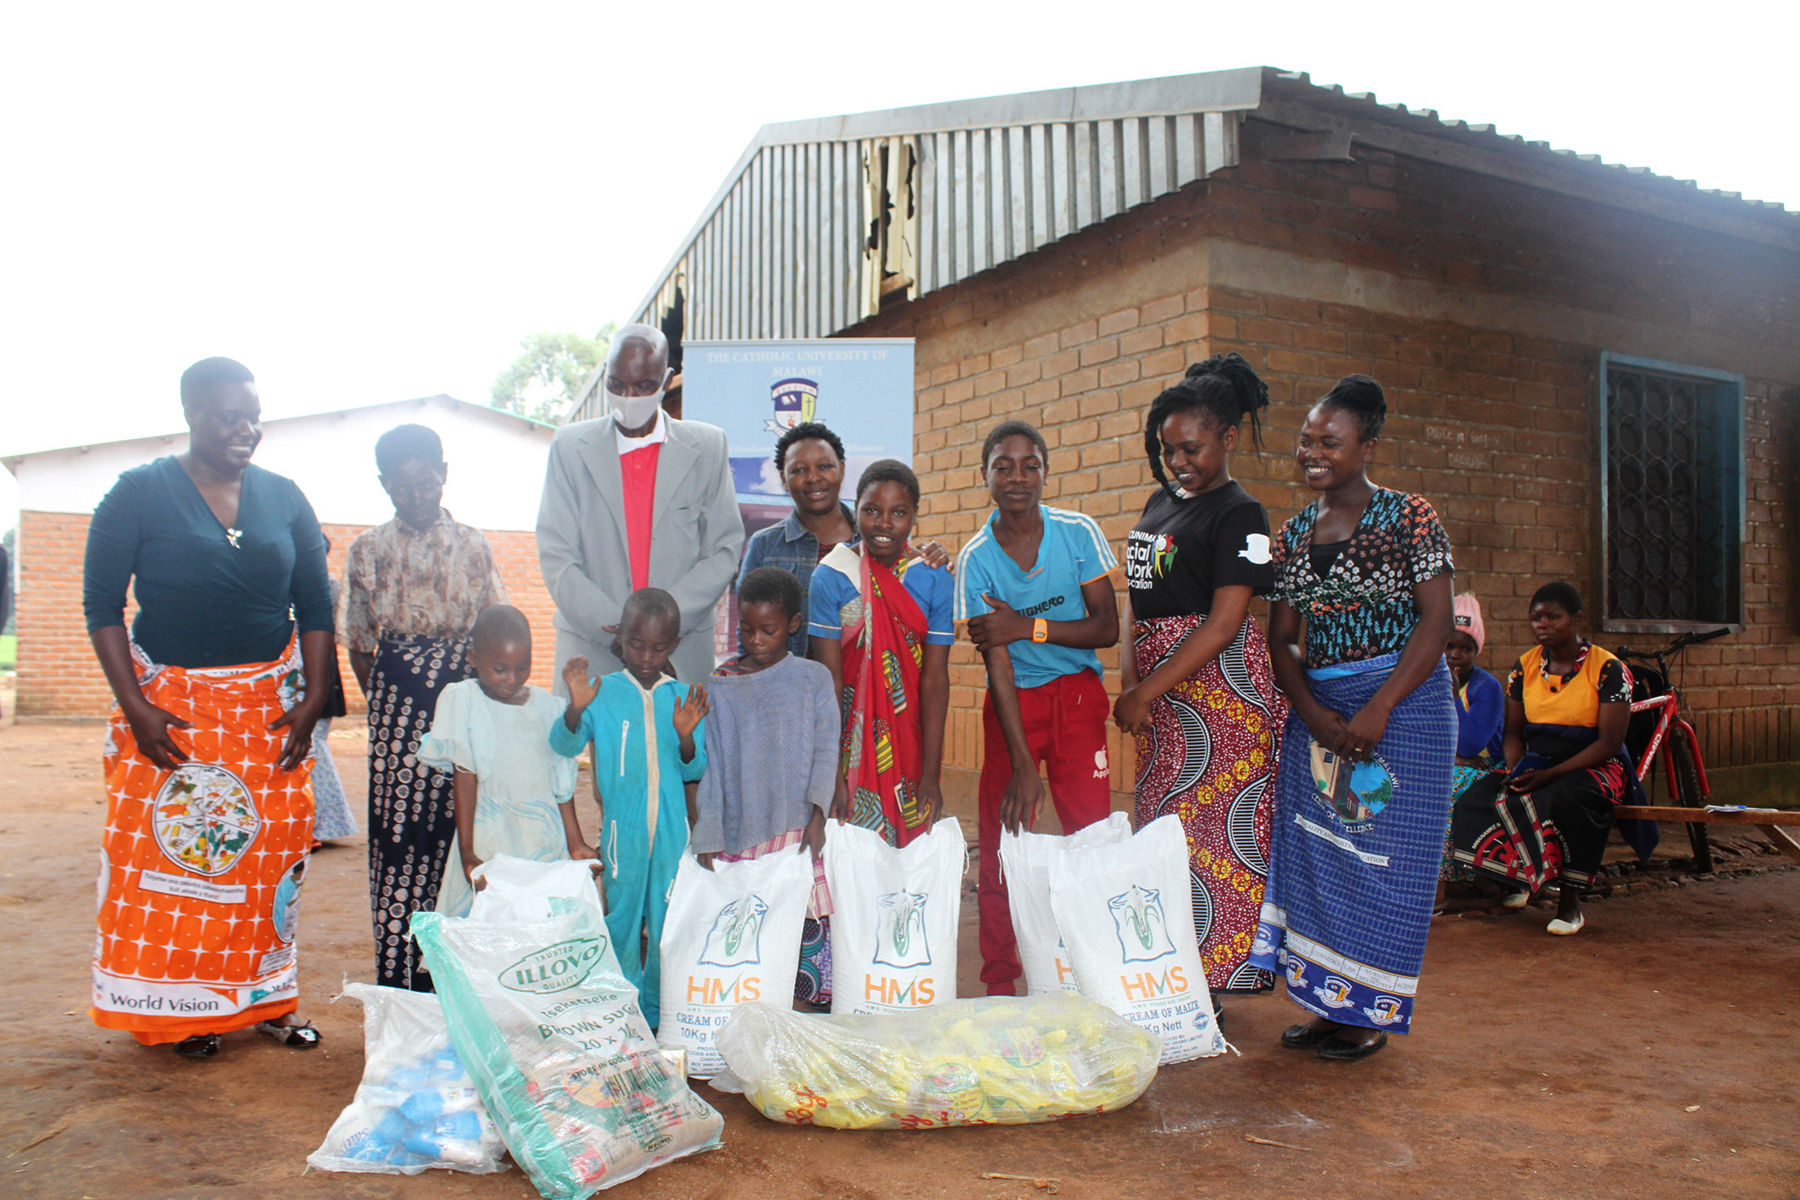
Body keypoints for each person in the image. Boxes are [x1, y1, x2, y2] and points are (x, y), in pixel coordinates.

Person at [83, 356, 334, 1058]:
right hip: (173, 712)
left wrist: (313, 696)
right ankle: (186, 1009)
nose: (245, 429)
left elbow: (315, 603)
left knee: (270, 857)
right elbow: (100, 606)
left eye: (253, 415)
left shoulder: (284, 496)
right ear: (192, 413)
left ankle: (268, 1001)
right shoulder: (137, 494)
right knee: (181, 859)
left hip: (267, 712)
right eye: (229, 416)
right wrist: (135, 706)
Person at [1248, 374, 1456, 1061]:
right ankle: (1328, 1004)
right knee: (1323, 854)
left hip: (1404, 711)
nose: (1312, 453)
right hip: (1322, 714)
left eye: (1329, 442)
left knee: (1383, 860)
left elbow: (1436, 621)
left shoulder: (1410, 517)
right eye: (1306, 440)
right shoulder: (1293, 533)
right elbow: (1281, 638)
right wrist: (1313, 712)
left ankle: (1371, 1011)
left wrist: (1379, 707)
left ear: (1367, 445)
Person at [1114, 356, 1288, 995]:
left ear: (1228, 439)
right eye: (1167, 449)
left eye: (1191, 448)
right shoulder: (1162, 501)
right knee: (1162, 833)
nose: (1179, 460)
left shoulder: (1245, 515)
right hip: (1161, 692)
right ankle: (1173, 973)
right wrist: (1131, 673)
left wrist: (1143, 690)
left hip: (1221, 695)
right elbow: (1136, 591)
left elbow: (1224, 624)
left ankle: (1213, 986)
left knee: (1214, 843)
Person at [955, 421, 1120, 996]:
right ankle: (1001, 982)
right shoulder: (975, 559)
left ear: (1047, 472)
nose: (1017, 477)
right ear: (985, 477)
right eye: (1003, 465)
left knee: (1089, 839)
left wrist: (1029, 625)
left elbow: (1106, 628)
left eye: (1030, 465)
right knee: (1002, 848)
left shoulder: (1078, 533)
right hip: (1011, 708)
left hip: (1076, 700)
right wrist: (1022, 764)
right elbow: (997, 662)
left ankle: (1101, 971)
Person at [340, 422, 507, 990]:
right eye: (401, 487)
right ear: (384, 483)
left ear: (444, 475)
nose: (414, 497)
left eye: (425, 483)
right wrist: (398, 700)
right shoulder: (366, 551)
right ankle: (401, 977)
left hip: (464, 701)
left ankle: (459, 978)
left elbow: (493, 628)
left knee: (464, 830)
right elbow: (362, 647)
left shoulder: (472, 545)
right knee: (399, 838)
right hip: (395, 714)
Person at [537, 324, 743, 686]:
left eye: (643, 386)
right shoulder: (569, 447)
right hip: (593, 645)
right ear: (605, 376)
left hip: (679, 646)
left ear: (666, 380)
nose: (628, 396)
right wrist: (624, 638)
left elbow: (724, 549)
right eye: (616, 385)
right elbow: (557, 555)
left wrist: (656, 633)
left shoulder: (708, 446)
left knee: (677, 743)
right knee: (590, 743)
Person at [551, 587, 708, 1028]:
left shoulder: (681, 697)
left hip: (673, 836)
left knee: (666, 925)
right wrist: (574, 710)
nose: (645, 656)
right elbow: (562, 744)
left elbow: (696, 766)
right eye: (636, 644)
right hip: (623, 834)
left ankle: (659, 1013)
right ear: (620, 639)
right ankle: (621, 1013)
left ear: (673, 645)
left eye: (659, 647)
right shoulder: (602, 693)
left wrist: (684, 735)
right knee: (620, 919)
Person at [1450, 583, 1641, 935]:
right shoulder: (1524, 667)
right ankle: (1518, 881)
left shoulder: (1608, 668)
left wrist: (1551, 774)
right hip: (1538, 758)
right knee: (1480, 797)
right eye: (1536, 617)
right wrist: (1516, 766)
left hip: (1593, 762)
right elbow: (1513, 732)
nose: (1543, 624)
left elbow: (1610, 741)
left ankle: (1571, 905)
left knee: (1565, 798)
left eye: (1554, 616)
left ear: (1576, 619)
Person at [693, 567, 841, 1005]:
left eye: (768, 630)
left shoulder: (813, 679)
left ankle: (802, 1011)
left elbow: (826, 750)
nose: (755, 639)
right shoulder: (722, 685)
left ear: (793, 625)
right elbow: (714, 762)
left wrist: (818, 816)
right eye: (747, 628)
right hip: (743, 831)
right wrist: (710, 831)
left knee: (801, 926)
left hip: (796, 829)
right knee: (749, 932)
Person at [808, 460, 954, 846]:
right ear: (855, 510)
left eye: (899, 513)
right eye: (871, 510)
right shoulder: (832, 575)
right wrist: (833, 775)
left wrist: (931, 775)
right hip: (847, 746)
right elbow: (829, 681)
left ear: (915, 517)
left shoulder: (935, 577)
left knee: (905, 868)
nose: (884, 524)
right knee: (850, 864)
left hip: (911, 741)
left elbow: (935, 678)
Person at [419, 604, 590, 918]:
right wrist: (468, 851)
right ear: (473, 659)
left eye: (522, 667)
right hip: (491, 838)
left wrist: (576, 842)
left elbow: (561, 782)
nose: (512, 678)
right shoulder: (463, 700)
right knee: (491, 926)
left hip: (544, 839)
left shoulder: (548, 705)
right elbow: (464, 776)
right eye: (500, 669)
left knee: (541, 929)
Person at [739, 421, 953, 659]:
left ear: (841, 469)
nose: (813, 478)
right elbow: (748, 628)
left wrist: (933, 555)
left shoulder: (876, 536)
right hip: (789, 690)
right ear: (783, 477)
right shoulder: (765, 545)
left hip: (868, 683)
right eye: (799, 470)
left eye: (824, 466)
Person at [1438, 593, 1504, 887]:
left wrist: (1453, 694)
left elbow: (1469, 745)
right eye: (1449, 646)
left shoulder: (1486, 687)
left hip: (1486, 765)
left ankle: (1446, 882)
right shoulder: (1422, 681)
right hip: (1448, 762)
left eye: (1466, 648)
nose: (1455, 655)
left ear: (1477, 652)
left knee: (1446, 787)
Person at [309, 538, 356, 844]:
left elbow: (342, 632)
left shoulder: (328, 587)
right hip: (286, 677)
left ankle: (325, 825)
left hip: (318, 675)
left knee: (313, 746)